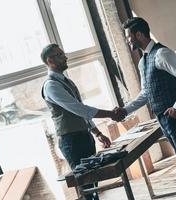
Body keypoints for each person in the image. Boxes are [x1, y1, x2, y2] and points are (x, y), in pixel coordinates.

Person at [114, 17, 176, 200]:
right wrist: (126, 110)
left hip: (174, 116)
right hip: (163, 118)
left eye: (129, 36)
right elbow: (146, 93)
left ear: (139, 34)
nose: (128, 40)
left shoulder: (162, 54)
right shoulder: (143, 61)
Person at [41, 44, 122, 200]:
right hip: (71, 142)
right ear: (50, 60)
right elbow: (79, 109)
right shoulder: (51, 85)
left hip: (84, 137)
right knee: (85, 187)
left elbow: (81, 112)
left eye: (63, 53)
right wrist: (111, 114)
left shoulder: (66, 81)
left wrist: (97, 133)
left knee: (93, 183)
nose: (65, 57)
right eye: (60, 55)